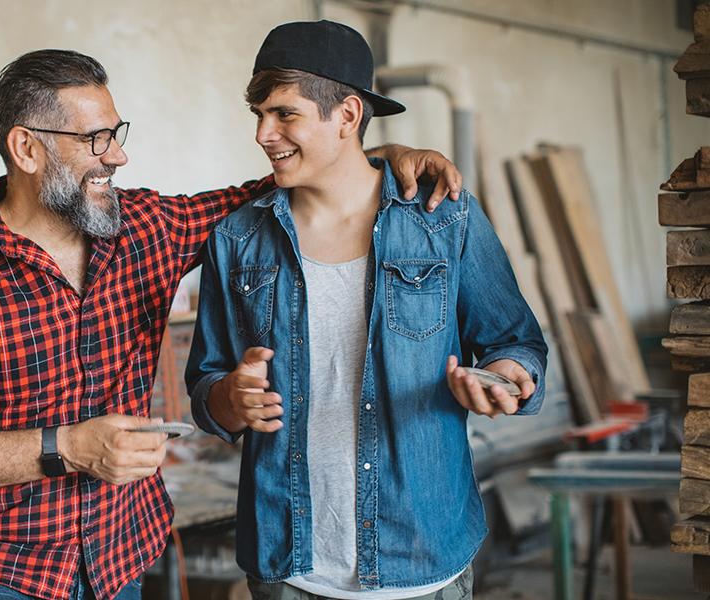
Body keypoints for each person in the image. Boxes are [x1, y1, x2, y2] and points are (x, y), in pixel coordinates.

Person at [0, 47, 461, 600]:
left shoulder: (143, 229)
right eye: (97, 139)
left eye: (116, 134)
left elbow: (269, 188)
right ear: (26, 149)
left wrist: (374, 155)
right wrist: (68, 448)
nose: (118, 156)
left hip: (119, 555)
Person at [186, 20, 548, 600]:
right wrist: (227, 398)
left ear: (348, 116)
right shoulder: (236, 239)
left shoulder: (443, 219)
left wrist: (505, 377)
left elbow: (516, 341)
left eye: (284, 114)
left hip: (424, 561)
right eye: (257, 114)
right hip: (288, 567)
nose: (262, 133)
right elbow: (207, 383)